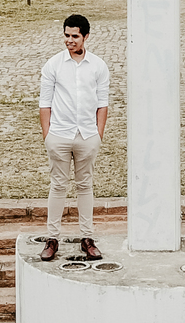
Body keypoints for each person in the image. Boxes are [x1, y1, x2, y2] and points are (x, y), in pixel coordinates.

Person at [38, 13, 110, 261]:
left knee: (85, 185)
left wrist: (98, 135)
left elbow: (102, 103)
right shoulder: (53, 65)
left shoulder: (98, 66)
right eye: (67, 35)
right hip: (59, 134)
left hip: (87, 135)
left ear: (85, 36)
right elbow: (45, 103)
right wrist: (48, 136)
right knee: (58, 185)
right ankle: (52, 239)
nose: (70, 40)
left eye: (75, 36)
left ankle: (87, 238)